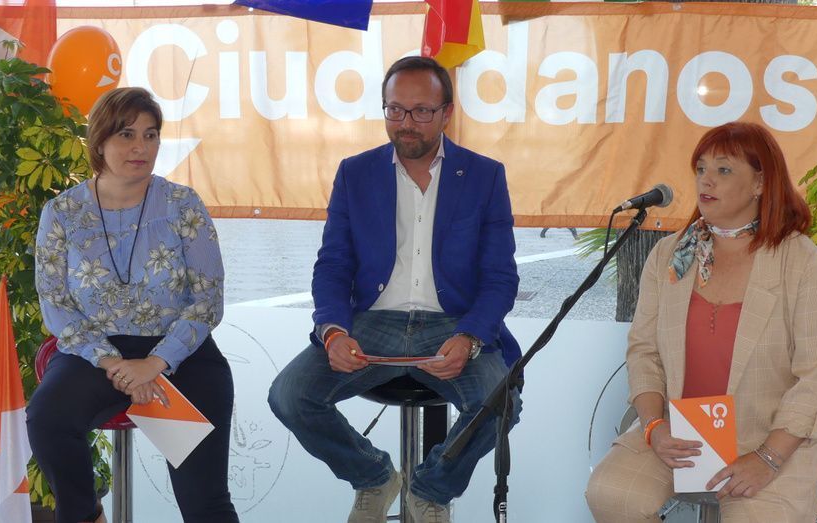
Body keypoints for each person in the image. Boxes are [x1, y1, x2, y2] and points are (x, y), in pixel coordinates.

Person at [268, 56, 522, 523]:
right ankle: (374, 476)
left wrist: (470, 337)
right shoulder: (355, 173)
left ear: (447, 113)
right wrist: (333, 331)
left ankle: (430, 489)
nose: (406, 123)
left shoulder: (484, 176)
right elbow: (333, 266)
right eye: (395, 110)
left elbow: (500, 277)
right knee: (289, 396)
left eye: (422, 110)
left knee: (501, 403)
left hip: (453, 323)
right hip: (373, 322)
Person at [585, 121, 817, 521]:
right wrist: (654, 427)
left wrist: (768, 457)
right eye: (701, 168)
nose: (706, 179)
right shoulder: (671, 254)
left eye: (723, 170)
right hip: (678, 431)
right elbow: (644, 350)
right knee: (612, 494)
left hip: (771, 439)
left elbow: (815, 377)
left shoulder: (801, 261)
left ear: (760, 183)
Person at [27, 87, 238, 523]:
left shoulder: (182, 205)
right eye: (126, 134)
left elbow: (207, 298)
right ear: (99, 141)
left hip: (180, 355)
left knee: (205, 505)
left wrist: (155, 364)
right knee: (47, 420)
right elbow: (56, 304)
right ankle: (87, 516)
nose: (141, 147)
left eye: (151, 134)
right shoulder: (62, 212)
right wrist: (117, 365)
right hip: (95, 356)